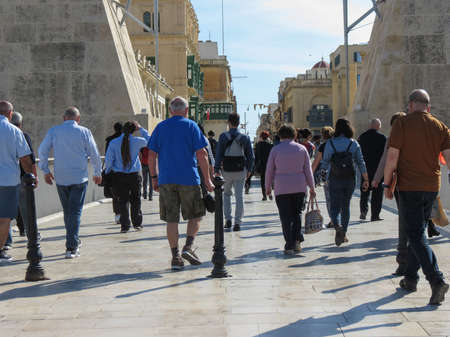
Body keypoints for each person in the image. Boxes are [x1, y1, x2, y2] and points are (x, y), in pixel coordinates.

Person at [384, 89, 450, 306]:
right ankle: (411, 278)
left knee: (415, 234)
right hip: (432, 186)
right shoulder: (440, 126)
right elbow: (449, 158)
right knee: (418, 231)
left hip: (409, 187)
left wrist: (387, 183)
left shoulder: (401, 124)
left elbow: (392, 157)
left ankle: (436, 280)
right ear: (428, 107)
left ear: (410, 104)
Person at [148, 97, 214, 270]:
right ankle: (188, 246)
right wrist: (207, 179)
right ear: (186, 111)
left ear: (170, 111)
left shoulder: (161, 127)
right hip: (189, 178)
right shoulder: (191, 126)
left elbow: (151, 155)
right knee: (196, 215)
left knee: (171, 220)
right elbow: (202, 154)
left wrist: (154, 177)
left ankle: (175, 256)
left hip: (166, 179)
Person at [39, 107, 102, 259]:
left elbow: (42, 150)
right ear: (78, 119)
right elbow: (94, 152)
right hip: (79, 177)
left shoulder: (54, 131)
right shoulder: (84, 131)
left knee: (68, 211)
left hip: (61, 178)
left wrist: (45, 170)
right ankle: (71, 247)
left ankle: (73, 239)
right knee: (75, 212)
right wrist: (97, 172)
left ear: (63, 117)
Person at [265, 125, 316, 255]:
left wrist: (267, 188)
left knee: (285, 217)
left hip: (281, 188)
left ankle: (289, 245)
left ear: (280, 136)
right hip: (299, 187)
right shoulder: (302, 149)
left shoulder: (275, 150)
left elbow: (269, 170)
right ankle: (297, 242)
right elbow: (308, 170)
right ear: (294, 135)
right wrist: (312, 187)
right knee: (297, 214)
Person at [321, 118, 368, 247]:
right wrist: (366, 179)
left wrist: (323, 177)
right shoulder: (353, 143)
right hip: (350, 178)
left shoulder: (330, 143)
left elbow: (325, 162)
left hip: (334, 178)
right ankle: (344, 233)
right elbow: (361, 162)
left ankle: (337, 227)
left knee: (335, 206)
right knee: (345, 206)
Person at [372, 112, 407, 275]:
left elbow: (387, 160)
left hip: (401, 183)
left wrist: (380, 181)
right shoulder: (416, 136)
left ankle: (403, 258)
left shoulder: (393, 138)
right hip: (422, 183)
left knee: (404, 218)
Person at [0, 101, 32, 262]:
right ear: (10, 113)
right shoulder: (14, 131)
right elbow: (25, 158)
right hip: (7, 181)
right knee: (4, 218)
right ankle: (0, 251)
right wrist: (30, 175)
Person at [105, 121, 150, 233]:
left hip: (119, 176)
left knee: (123, 201)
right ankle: (137, 224)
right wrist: (141, 129)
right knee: (136, 199)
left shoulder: (113, 142)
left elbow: (109, 160)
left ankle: (125, 225)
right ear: (134, 130)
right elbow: (151, 141)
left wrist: (107, 173)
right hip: (134, 175)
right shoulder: (138, 141)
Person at [215, 113, 255, 231]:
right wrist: (249, 170)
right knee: (239, 196)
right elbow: (251, 156)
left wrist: (216, 169)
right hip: (240, 170)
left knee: (226, 194)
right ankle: (238, 222)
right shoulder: (245, 137)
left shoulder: (223, 136)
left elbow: (218, 154)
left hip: (226, 170)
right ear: (238, 123)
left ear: (229, 122)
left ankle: (228, 220)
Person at [8, 112, 39, 247]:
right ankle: (32, 234)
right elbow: (29, 159)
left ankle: (6, 242)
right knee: (27, 209)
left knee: (5, 212)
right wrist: (34, 176)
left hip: (6, 178)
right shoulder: (22, 135)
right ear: (20, 124)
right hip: (22, 178)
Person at [357, 119, 387, 221]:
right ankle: (375, 215)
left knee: (364, 191)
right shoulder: (382, 138)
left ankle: (363, 212)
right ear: (378, 126)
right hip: (378, 170)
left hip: (365, 169)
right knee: (377, 194)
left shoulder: (362, 137)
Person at [311, 126, 335, 228]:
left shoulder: (323, 146)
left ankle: (333, 220)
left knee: (329, 198)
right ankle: (339, 218)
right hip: (342, 174)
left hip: (327, 175)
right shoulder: (339, 144)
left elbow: (316, 162)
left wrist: (310, 175)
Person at [105, 122, 123, 224]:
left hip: (113, 171)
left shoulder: (109, 140)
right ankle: (125, 213)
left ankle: (117, 214)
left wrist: (107, 170)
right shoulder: (126, 139)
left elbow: (108, 156)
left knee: (115, 194)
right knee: (125, 194)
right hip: (126, 170)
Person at [255, 131, 273, 200]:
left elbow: (256, 156)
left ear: (261, 137)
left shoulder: (258, 145)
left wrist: (256, 165)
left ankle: (264, 195)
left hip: (262, 165)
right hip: (269, 164)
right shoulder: (270, 145)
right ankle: (270, 193)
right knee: (269, 179)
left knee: (263, 180)